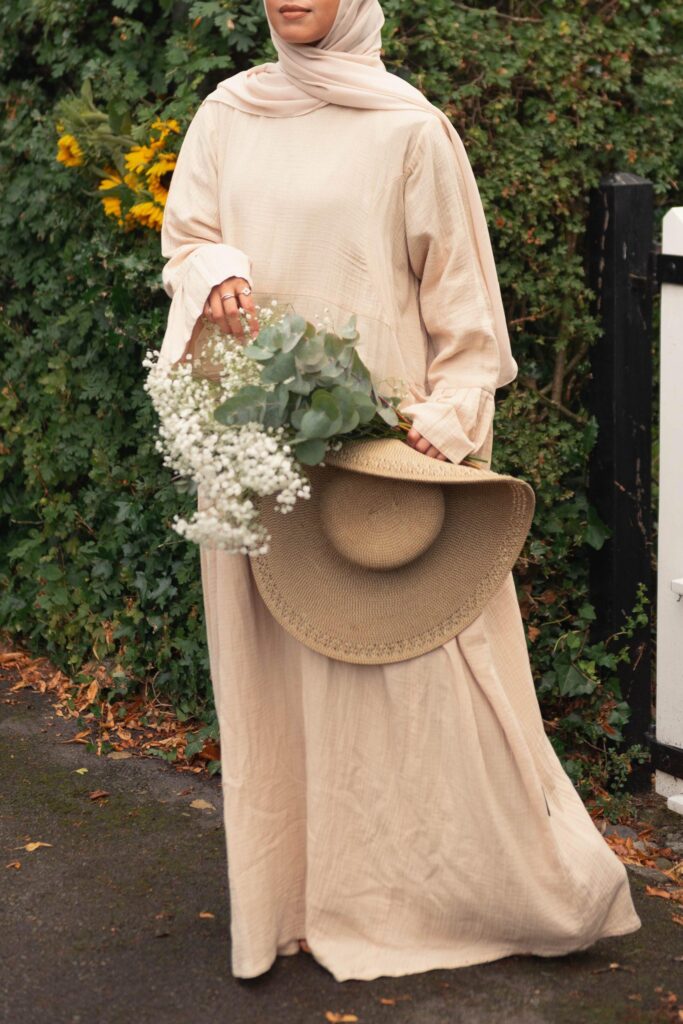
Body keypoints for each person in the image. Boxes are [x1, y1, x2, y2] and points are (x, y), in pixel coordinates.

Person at [158, 0, 642, 984]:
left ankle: (474, 888)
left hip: (378, 471)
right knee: (274, 688)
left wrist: (447, 425)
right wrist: (211, 279)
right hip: (258, 460)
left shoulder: (408, 131)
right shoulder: (227, 114)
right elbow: (187, 240)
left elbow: (464, 321)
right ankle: (287, 908)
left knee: (416, 682)